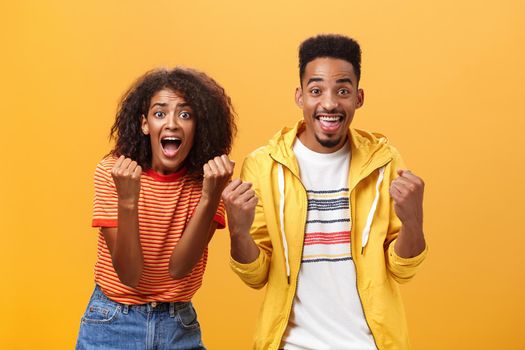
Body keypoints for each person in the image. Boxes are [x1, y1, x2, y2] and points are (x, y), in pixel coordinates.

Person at [222, 34, 428, 350]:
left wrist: (414, 223)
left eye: (342, 91)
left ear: (358, 98)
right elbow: (256, 275)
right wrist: (238, 231)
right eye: (316, 90)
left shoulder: (384, 162)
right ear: (299, 96)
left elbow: (402, 270)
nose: (329, 103)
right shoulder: (262, 165)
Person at [76, 67, 236, 349]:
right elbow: (130, 274)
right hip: (112, 321)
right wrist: (128, 200)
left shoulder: (209, 181)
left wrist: (211, 197)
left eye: (185, 114)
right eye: (160, 113)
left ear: (199, 125)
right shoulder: (113, 172)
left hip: (178, 324)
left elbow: (180, 268)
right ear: (144, 124)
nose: (172, 124)